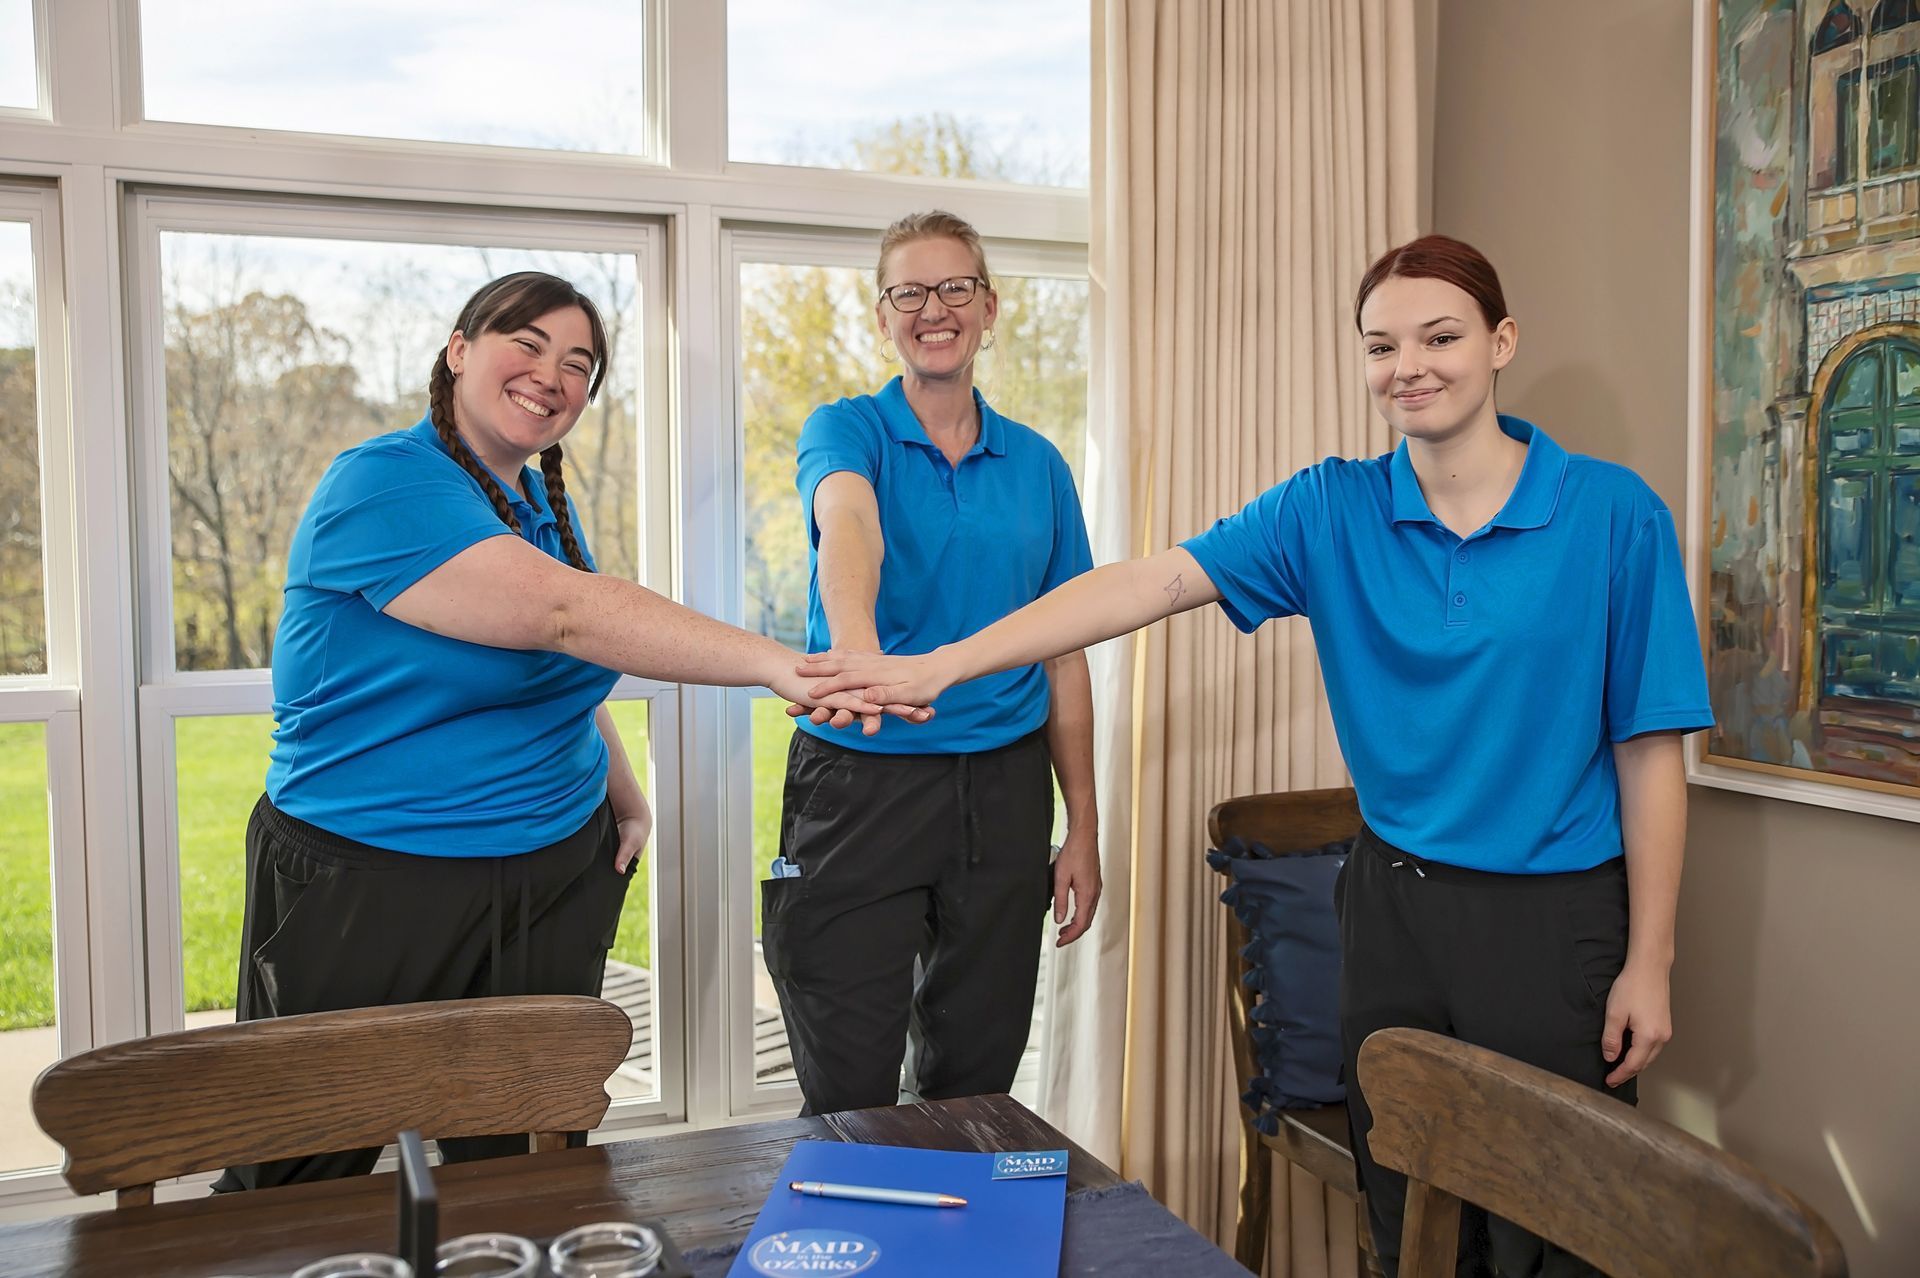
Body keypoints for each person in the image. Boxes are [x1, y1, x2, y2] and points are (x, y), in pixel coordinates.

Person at [794, 235, 1712, 1275]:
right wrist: (943, 665)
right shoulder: (1330, 507)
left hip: (1558, 923)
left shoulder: (1612, 514)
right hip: (1393, 908)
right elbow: (1146, 584)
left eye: (1441, 336)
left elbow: (1649, 751)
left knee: (1556, 1234)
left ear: (1501, 341)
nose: (1408, 364)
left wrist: (1653, 958)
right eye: (1381, 345)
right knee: (1405, 1217)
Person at [217, 271, 917, 1192]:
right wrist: (779, 663)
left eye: (579, 363)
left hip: (544, 876)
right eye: (530, 343)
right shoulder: (382, 482)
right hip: (370, 878)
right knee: (301, 1162)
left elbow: (554, 670)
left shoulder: (536, 503)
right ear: (459, 350)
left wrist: (618, 788)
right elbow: (563, 615)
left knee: (522, 1155)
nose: (554, 374)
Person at [762, 211, 1103, 1118]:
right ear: (883, 318)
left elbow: (1065, 650)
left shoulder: (1038, 465)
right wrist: (860, 653)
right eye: (908, 292)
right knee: (847, 1084)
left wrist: (1084, 828)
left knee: (977, 1081)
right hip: (861, 784)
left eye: (955, 288)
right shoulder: (849, 429)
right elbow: (848, 525)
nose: (934, 308)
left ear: (990, 309)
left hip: (1003, 792)